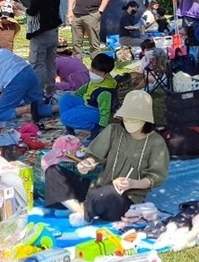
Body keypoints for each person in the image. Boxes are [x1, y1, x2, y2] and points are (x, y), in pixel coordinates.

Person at [42, 89, 170, 224]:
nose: (129, 122)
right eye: (127, 118)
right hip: (96, 187)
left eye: (134, 119)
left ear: (146, 119)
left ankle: (80, 210)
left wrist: (133, 183)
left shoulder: (156, 142)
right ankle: (81, 210)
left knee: (105, 194)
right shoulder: (114, 131)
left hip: (123, 199)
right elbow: (94, 156)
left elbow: (155, 177)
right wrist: (87, 164)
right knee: (53, 171)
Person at [58, 53, 118, 139]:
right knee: (65, 99)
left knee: (65, 117)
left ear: (106, 74)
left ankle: (94, 128)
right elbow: (86, 86)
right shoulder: (97, 79)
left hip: (95, 111)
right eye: (92, 70)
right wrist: (76, 95)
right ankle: (69, 129)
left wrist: (101, 126)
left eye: (97, 73)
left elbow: (105, 111)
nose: (93, 73)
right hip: (87, 102)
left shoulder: (105, 92)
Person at [25, 0, 63, 99]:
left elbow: (33, 11)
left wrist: (22, 8)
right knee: (50, 62)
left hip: (40, 31)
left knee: (37, 63)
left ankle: (38, 92)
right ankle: (50, 91)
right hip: (53, 30)